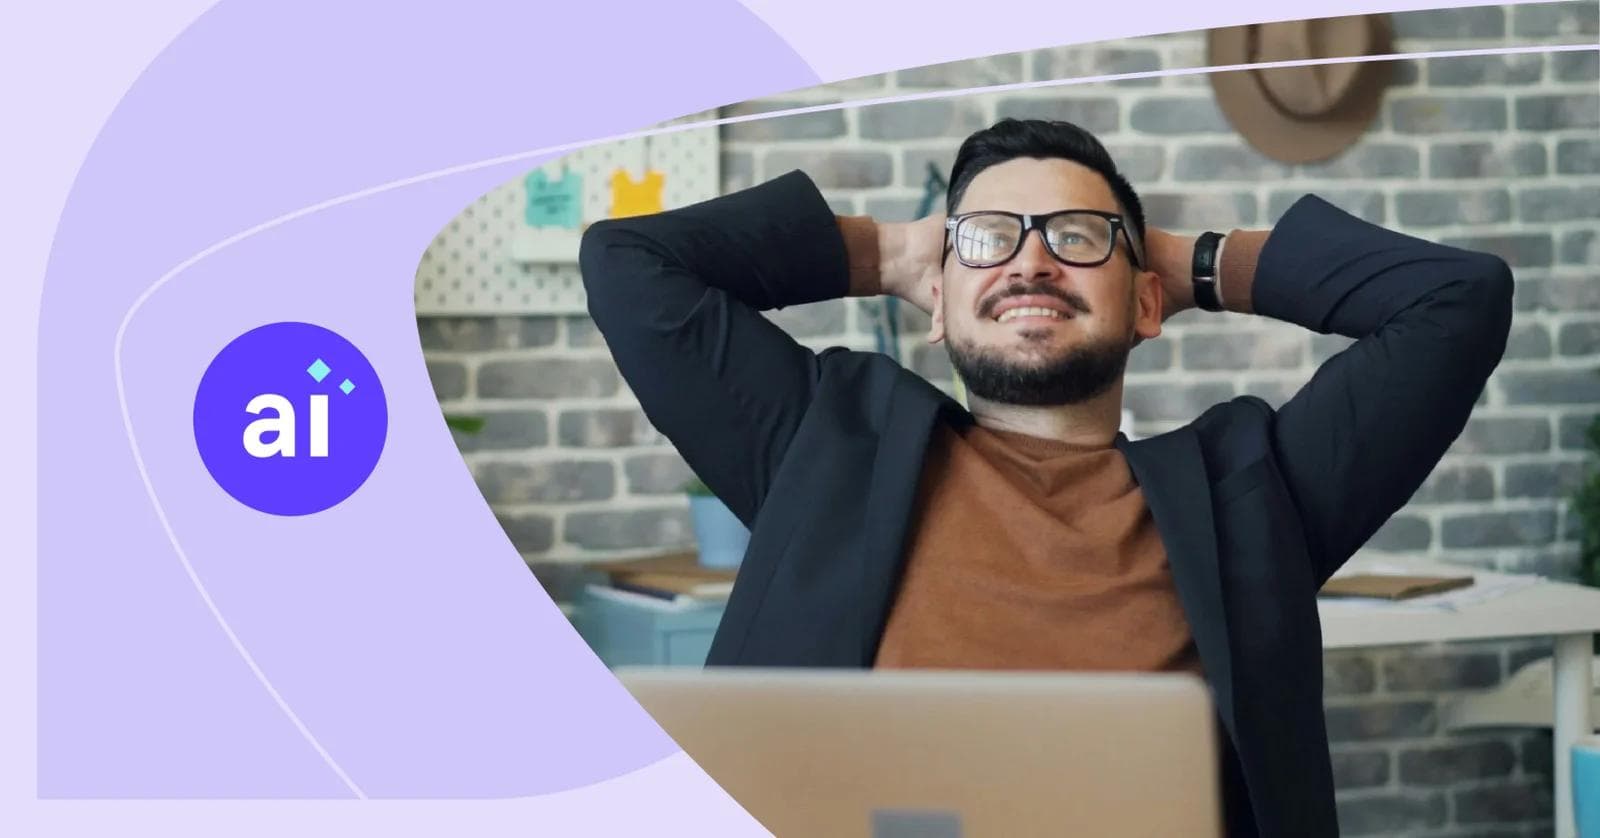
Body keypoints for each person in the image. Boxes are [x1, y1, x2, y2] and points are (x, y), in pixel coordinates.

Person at [578, 118, 1513, 837]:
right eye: (987, 237)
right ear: (936, 300)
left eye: (1077, 235)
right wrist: (905, 252)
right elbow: (629, 263)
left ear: (1148, 299)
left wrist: (1192, 261)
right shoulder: (824, 445)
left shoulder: (1255, 492)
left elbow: (1456, 301)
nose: (1030, 257)